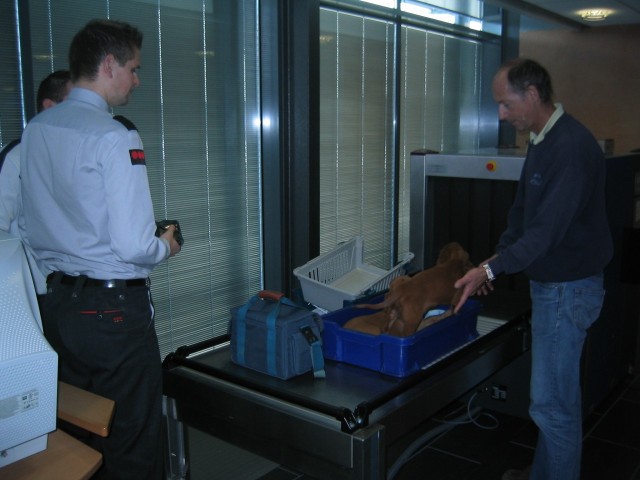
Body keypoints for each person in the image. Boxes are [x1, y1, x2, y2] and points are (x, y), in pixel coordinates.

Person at [20, 19, 181, 480]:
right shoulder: (115, 136)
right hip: (113, 311)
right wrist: (165, 247)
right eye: (133, 68)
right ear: (108, 65)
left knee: (81, 431)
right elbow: (133, 245)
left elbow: (30, 224)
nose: (137, 80)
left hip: (60, 305)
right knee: (132, 437)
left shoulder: (37, 130)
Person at [453, 58, 613, 480]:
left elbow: (544, 234)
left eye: (506, 104)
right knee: (551, 401)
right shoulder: (543, 139)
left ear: (533, 94)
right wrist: (492, 262)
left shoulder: (571, 148)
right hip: (554, 286)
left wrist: (490, 272)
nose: (501, 115)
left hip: (568, 290)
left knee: (553, 406)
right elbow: (522, 216)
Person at [0, 70, 72, 294]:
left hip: (78, 293)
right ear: (50, 107)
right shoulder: (17, 158)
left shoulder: (80, 159)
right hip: (34, 294)